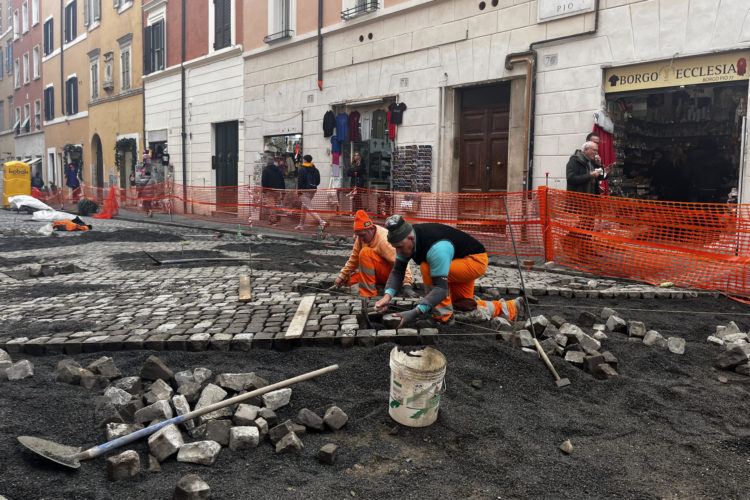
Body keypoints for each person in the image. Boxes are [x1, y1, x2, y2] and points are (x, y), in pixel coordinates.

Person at [374, 215, 526, 327]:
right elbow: (398, 271)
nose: (398, 251)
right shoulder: (405, 242)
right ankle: (511, 308)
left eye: (400, 247)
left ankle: (443, 317)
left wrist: (414, 313)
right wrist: (387, 297)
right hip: (458, 260)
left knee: (426, 268)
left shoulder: (436, 248)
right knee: (462, 305)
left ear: (411, 239)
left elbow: (440, 289)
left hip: (474, 261)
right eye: (395, 248)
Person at [334, 210, 418, 299]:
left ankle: (368, 295)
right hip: (377, 272)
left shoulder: (383, 239)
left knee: (365, 253)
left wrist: (407, 285)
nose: (361, 239)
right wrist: (342, 276)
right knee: (348, 281)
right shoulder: (360, 239)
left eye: (363, 235)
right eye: (359, 236)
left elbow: (401, 262)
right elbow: (354, 259)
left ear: (371, 229)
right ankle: (369, 286)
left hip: (391, 276)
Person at [565, 141, 606, 258]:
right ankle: (579, 250)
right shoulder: (575, 160)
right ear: (586, 150)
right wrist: (589, 176)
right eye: (594, 150)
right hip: (580, 199)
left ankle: (586, 248)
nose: (596, 153)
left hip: (591, 199)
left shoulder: (592, 162)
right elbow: (571, 178)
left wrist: (599, 165)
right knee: (583, 226)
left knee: (589, 226)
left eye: (597, 151)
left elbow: (602, 176)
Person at [295, 155, 327, 231]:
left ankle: (321, 222)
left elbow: (300, 181)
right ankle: (301, 224)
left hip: (304, 191)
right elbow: (318, 181)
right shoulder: (315, 169)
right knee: (304, 207)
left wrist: (299, 191)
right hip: (312, 190)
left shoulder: (302, 169)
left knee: (308, 208)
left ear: (305, 160)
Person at [261, 161, 286, 225]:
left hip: (269, 190)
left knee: (272, 206)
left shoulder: (266, 170)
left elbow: (264, 181)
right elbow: (282, 181)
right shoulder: (278, 170)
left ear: (267, 163)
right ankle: (271, 219)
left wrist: (264, 190)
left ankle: (273, 220)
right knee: (274, 206)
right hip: (277, 190)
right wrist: (283, 192)